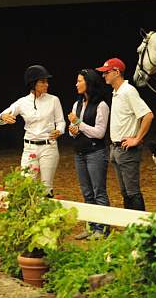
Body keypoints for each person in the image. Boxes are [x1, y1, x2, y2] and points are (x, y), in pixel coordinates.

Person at [0, 65, 65, 196]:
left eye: (47, 81)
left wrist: (59, 130)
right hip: (29, 148)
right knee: (27, 186)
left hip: (48, 147)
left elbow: (61, 122)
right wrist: (3, 117)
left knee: (46, 188)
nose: (46, 84)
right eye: (42, 82)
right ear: (33, 84)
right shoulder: (22, 102)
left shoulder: (54, 100)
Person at [96, 58, 153, 211]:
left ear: (117, 72)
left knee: (132, 192)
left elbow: (147, 115)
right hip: (117, 148)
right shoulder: (117, 92)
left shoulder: (128, 91)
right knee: (125, 192)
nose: (104, 76)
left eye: (107, 72)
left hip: (126, 149)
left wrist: (137, 139)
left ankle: (140, 228)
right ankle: (131, 226)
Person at [68, 69, 110, 239]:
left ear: (89, 83)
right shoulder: (77, 104)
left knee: (98, 190)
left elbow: (99, 133)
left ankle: (102, 228)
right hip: (80, 152)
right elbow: (74, 131)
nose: (76, 84)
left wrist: (79, 124)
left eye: (80, 81)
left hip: (95, 152)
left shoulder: (101, 105)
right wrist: (73, 130)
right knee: (87, 192)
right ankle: (91, 226)